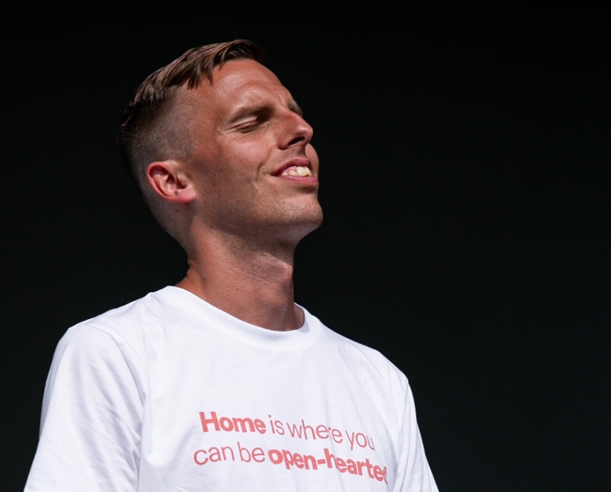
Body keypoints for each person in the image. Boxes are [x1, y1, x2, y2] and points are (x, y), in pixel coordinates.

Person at [24, 40, 438, 491]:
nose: (302, 129)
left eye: (295, 112)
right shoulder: (118, 353)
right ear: (174, 181)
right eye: (252, 122)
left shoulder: (377, 380)